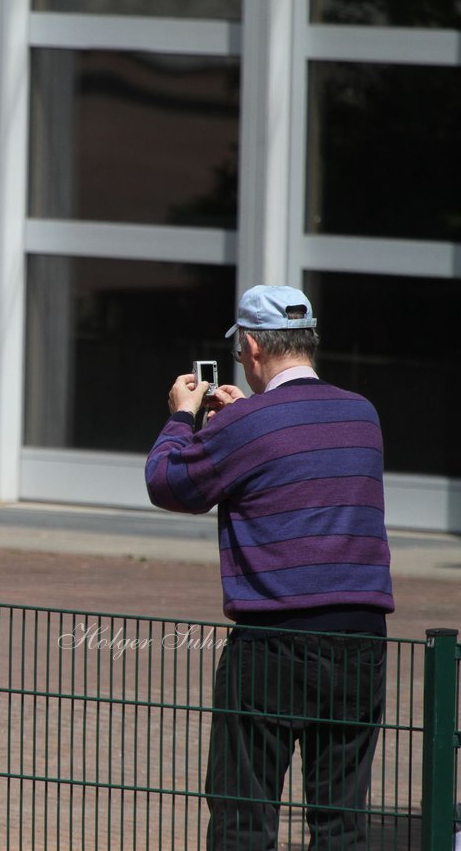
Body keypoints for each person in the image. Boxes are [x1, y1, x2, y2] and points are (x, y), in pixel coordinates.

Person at [144, 284, 395, 849]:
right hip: (362, 637)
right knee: (340, 816)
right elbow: (293, 451)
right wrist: (246, 417)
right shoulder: (363, 414)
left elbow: (168, 483)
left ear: (253, 346)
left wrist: (183, 418)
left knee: (244, 813)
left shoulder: (248, 423)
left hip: (274, 639)